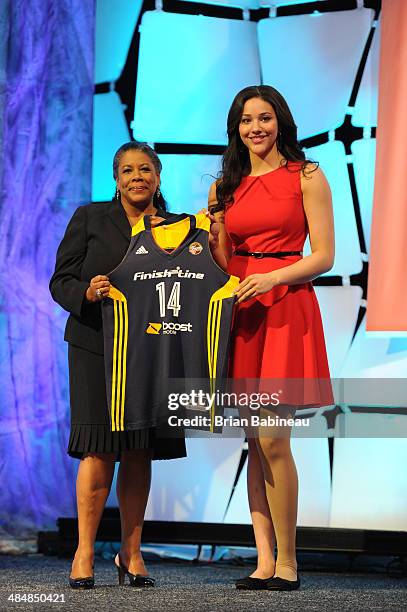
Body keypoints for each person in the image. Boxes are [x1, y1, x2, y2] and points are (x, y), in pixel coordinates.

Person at [207, 85, 334, 591]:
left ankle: (289, 563)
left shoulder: (307, 175)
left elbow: (324, 256)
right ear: (235, 127)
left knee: (272, 438)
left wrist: (275, 277)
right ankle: (263, 562)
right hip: (241, 313)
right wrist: (216, 236)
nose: (254, 128)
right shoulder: (224, 186)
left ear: (280, 121)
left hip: (285, 306)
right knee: (253, 443)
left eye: (263, 118)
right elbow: (222, 260)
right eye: (245, 120)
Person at [49, 142, 186, 589]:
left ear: (158, 177)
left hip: (152, 353)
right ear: (116, 178)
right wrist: (87, 292)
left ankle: (131, 553)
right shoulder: (89, 218)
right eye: (127, 170)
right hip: (94, 348)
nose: (136, 177)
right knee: (98, 449)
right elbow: (60, 281)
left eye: (145, 169)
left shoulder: (177, 228)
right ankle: (85, 551)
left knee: (139, 449)